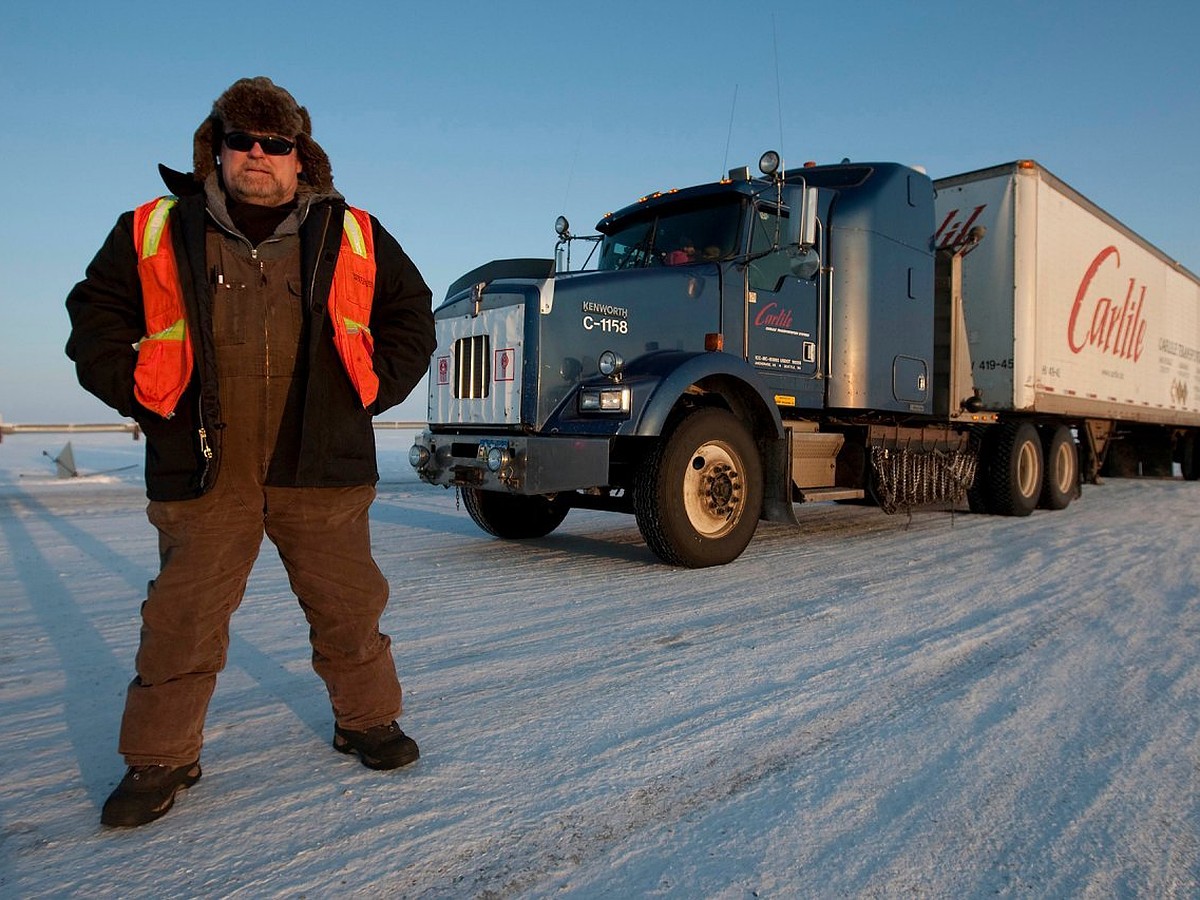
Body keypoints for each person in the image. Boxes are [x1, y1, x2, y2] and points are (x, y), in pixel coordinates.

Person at [65, 77, 437, 828]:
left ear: (302, 158)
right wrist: (144, 396)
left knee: (348, 604)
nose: (258, 155)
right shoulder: (157, 229)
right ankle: (162, 756)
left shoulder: (353, 231)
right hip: (205, 459)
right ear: (218, 148)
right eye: (243, 140)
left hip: (320, 458)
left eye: (277, 144)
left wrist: (370, 392)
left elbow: (411, 314)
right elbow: (95, 314)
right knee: (182, 614)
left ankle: (365, 719)